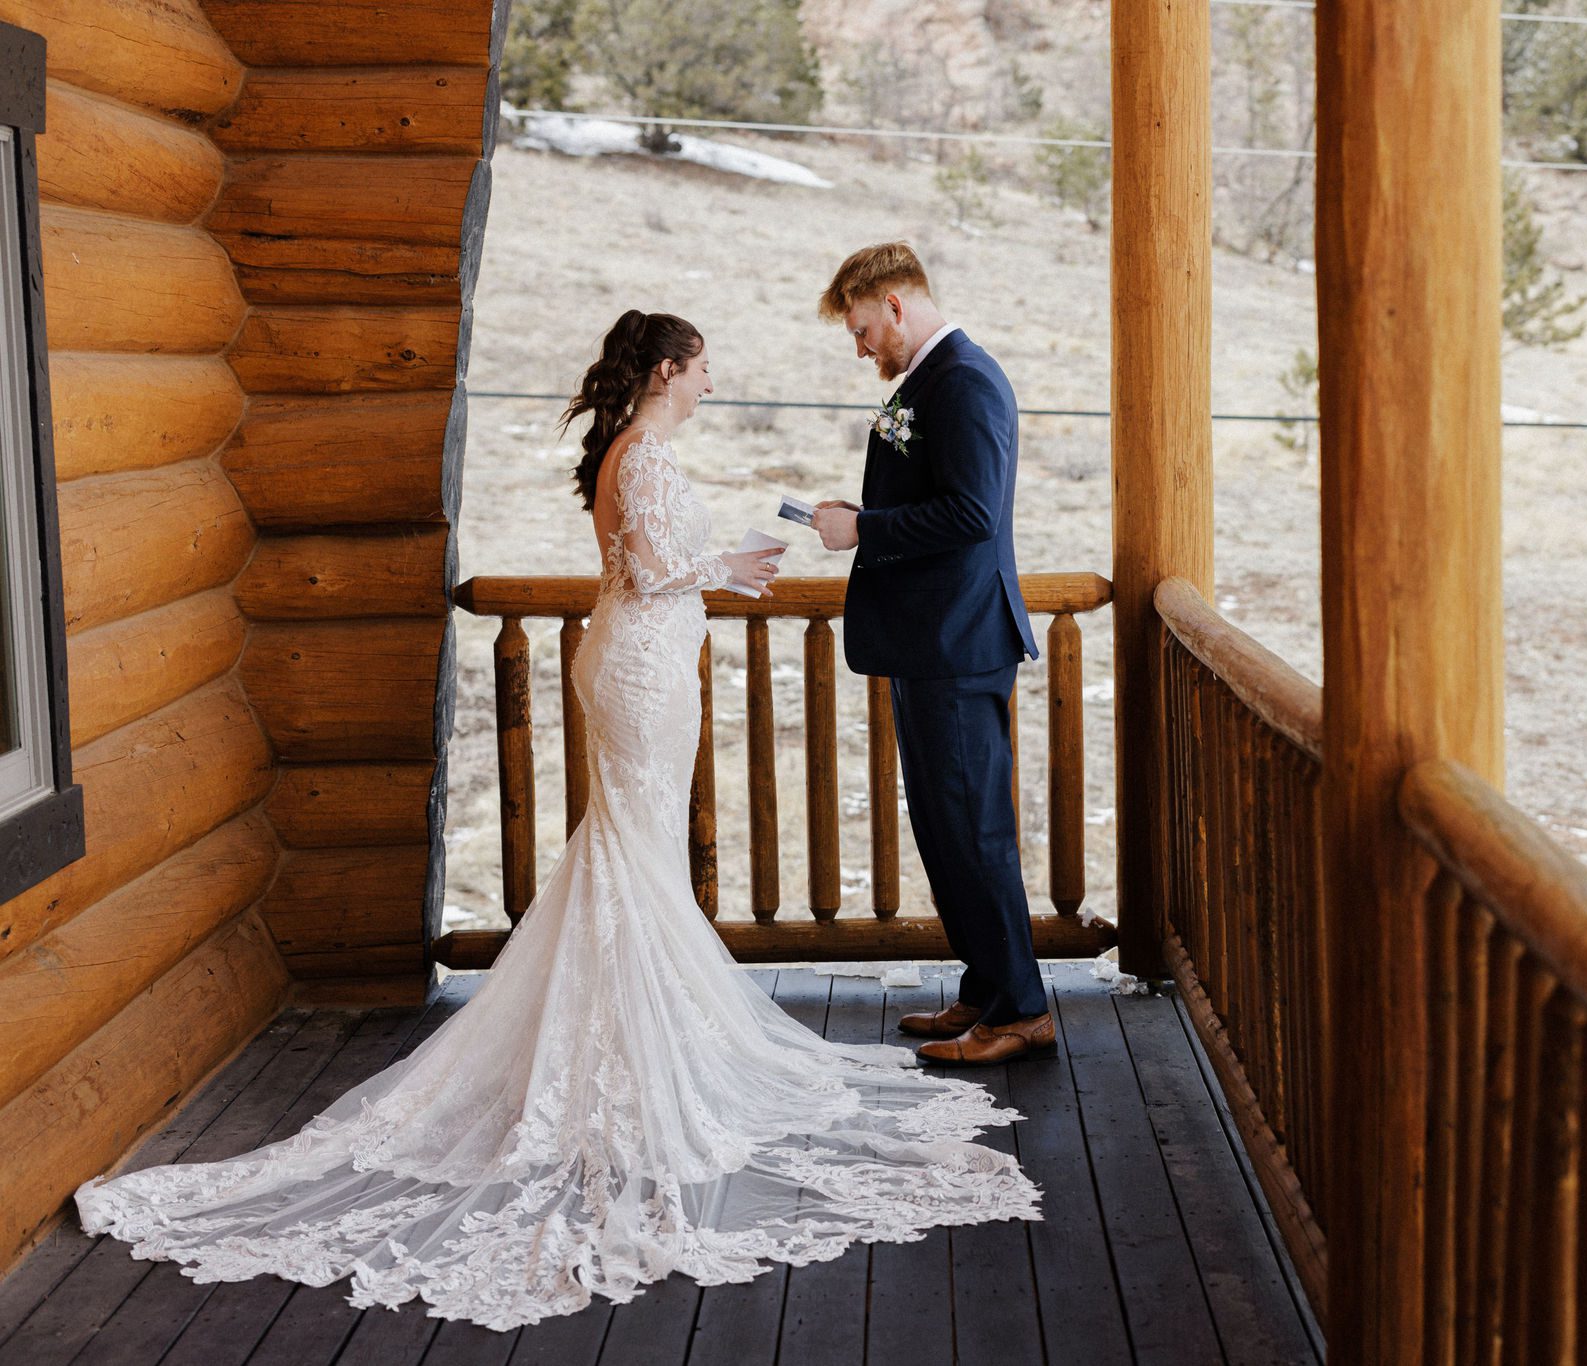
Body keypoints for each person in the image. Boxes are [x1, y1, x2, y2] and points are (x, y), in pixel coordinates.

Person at [72, 309, 1041, 1332]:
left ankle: (623, 1036)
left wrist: (719, 569)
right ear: (668, 370)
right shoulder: (645, 455)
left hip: (641, 657)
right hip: (639, 666)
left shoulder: (635, 447)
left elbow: (645, 566)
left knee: (630, 854)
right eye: (703, 367)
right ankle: (629, 1058)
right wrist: (727, 565)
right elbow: (658, 570)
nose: (712, 383)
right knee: (628, 853)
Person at [812, 243, 1054, 1067]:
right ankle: (986, 988)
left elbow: (973, 515)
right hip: (930, 640)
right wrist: (866, 512)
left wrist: (864, 531)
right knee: (944, 823)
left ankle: (1021, 1009)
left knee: (975, 827)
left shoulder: (967, 381)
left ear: (896, 305)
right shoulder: (928, 384)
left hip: (959, 640)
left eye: (861, 328)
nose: (860, 347)